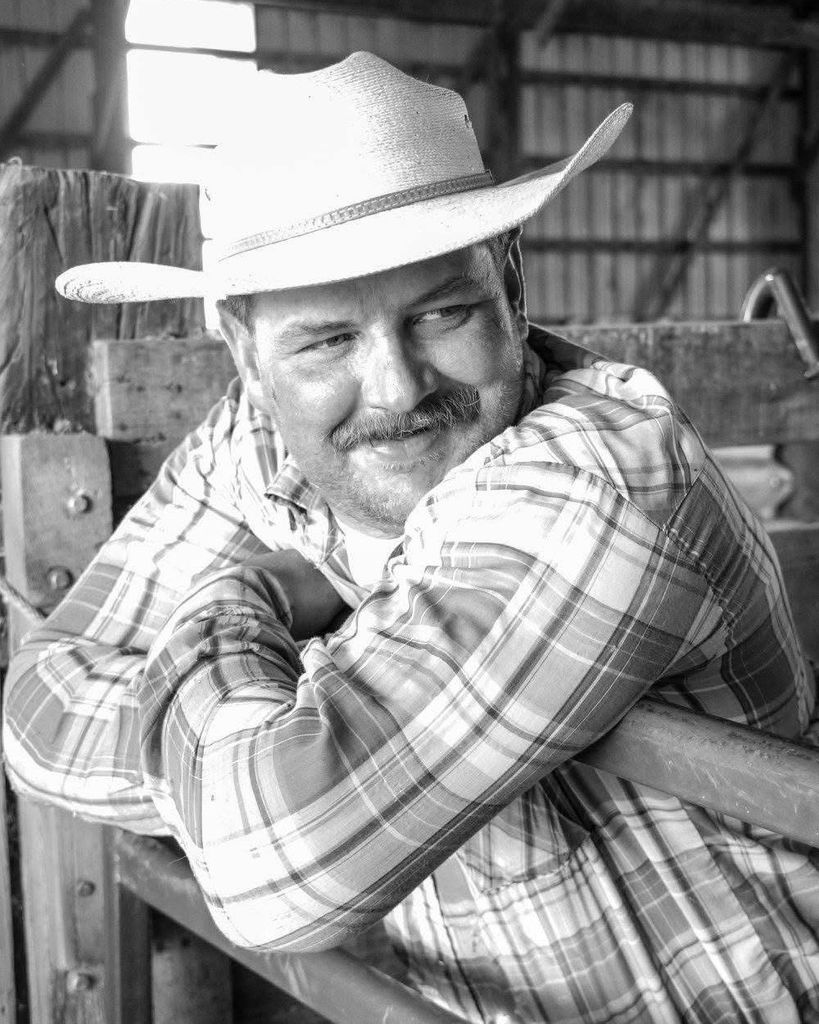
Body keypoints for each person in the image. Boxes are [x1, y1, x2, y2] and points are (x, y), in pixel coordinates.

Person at [3, 51, 819, 1024]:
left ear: (510, 283)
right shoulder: (251, 440)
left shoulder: (600, 486)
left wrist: (246, 598)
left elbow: (274, 872)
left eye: (441, 312)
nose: (395, 389)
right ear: (245, 354)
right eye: (326, 341)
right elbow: (37, 707)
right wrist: (234, 764)